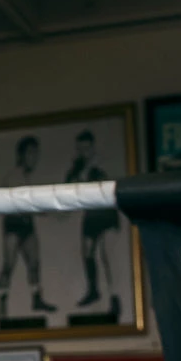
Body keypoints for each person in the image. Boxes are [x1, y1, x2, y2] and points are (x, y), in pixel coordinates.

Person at [0, 135, 53, 318]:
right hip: (14, 225)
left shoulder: (28, 177)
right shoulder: (13, 176)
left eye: (36, 153)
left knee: (34, 263)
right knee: (9, 265)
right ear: (22, 155)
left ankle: (37, 298)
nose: (34, 157)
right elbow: (16, 204)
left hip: (27, 225)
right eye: (30, 153)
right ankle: (2, 301)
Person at [63, 129, 119, 312]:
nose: (83, 153)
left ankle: (114, 296)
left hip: (106, 215)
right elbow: (69, 188)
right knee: (87, 253)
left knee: (106, 255)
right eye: (80, 149)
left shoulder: (101, 165)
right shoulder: (78, 167)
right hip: (91, 216)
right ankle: (93, 290)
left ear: (92, 147)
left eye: (86, 149)